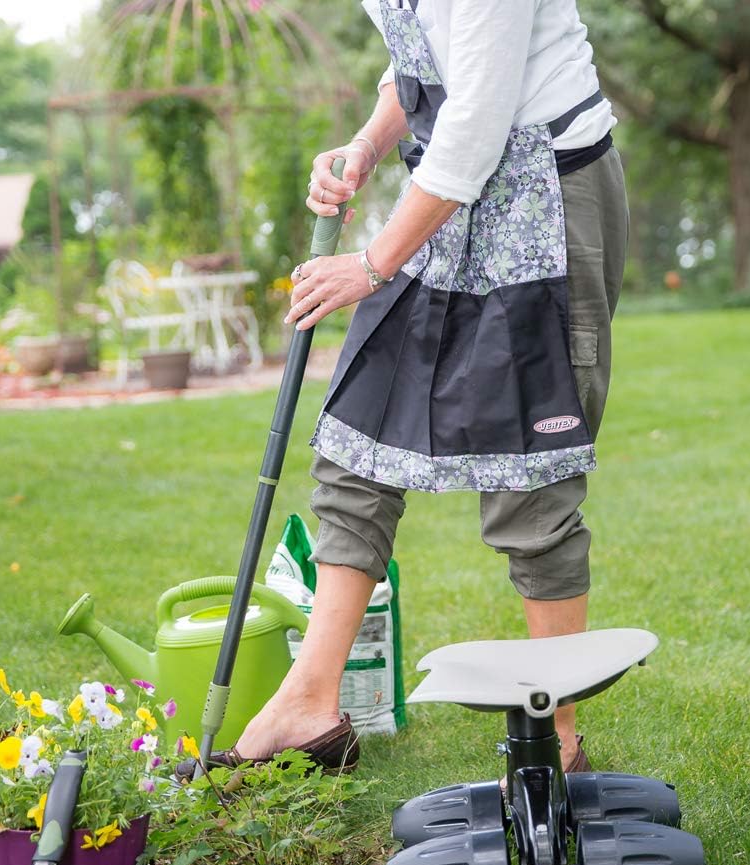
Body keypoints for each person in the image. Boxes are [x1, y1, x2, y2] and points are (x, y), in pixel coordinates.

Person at [192, 0, 627, 777]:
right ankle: (309, 704)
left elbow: (478, 123)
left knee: (529, 472)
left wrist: (369, 264)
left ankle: (559, 744)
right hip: (446, 187)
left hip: (542, 191)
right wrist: (364, 144)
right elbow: (421, 65)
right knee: (357, 435)